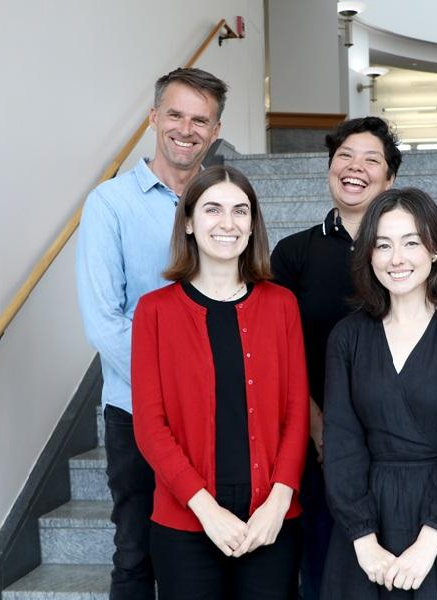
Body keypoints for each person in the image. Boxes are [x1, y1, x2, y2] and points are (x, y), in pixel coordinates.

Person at [76, 67, 228, 599]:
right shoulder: (109, 205)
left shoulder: (226, 206)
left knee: (208, 555)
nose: (187, 129)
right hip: (138, 414)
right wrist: (169, 394)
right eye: (176, 115)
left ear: (215, 130)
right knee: (137, 555)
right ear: (153, 118)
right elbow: (104, 322)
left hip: (217, 415)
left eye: (200, 120)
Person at [131, 165, 309, 599]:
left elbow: (297, 411)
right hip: (186, 523)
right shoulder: (154, 311)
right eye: (213, 210)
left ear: (252, 226)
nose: (228, 223)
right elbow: (150, 428)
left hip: (270, 521)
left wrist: (279, 500)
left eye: (240, 211)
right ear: (189, 222)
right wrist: (205, 510)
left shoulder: (281, 303)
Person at [322, 187, 437, 599]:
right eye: (383, 245)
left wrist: (429, 541)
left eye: (411, 242)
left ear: (434, 249)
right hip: (367, 522)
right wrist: (363, 540)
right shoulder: (347, 337)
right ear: (368, 254)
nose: (396, 258)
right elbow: (342, 442)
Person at [270, 116, 402, 598]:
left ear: (389, 179)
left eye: (372, 160)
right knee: (324, 562)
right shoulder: (293, 253)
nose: (355, 167)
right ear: (329, 167)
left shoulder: (405, 252)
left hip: (398, 438)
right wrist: (317, 425)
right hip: (314, 435)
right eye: (345, 156)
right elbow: (277, 355)